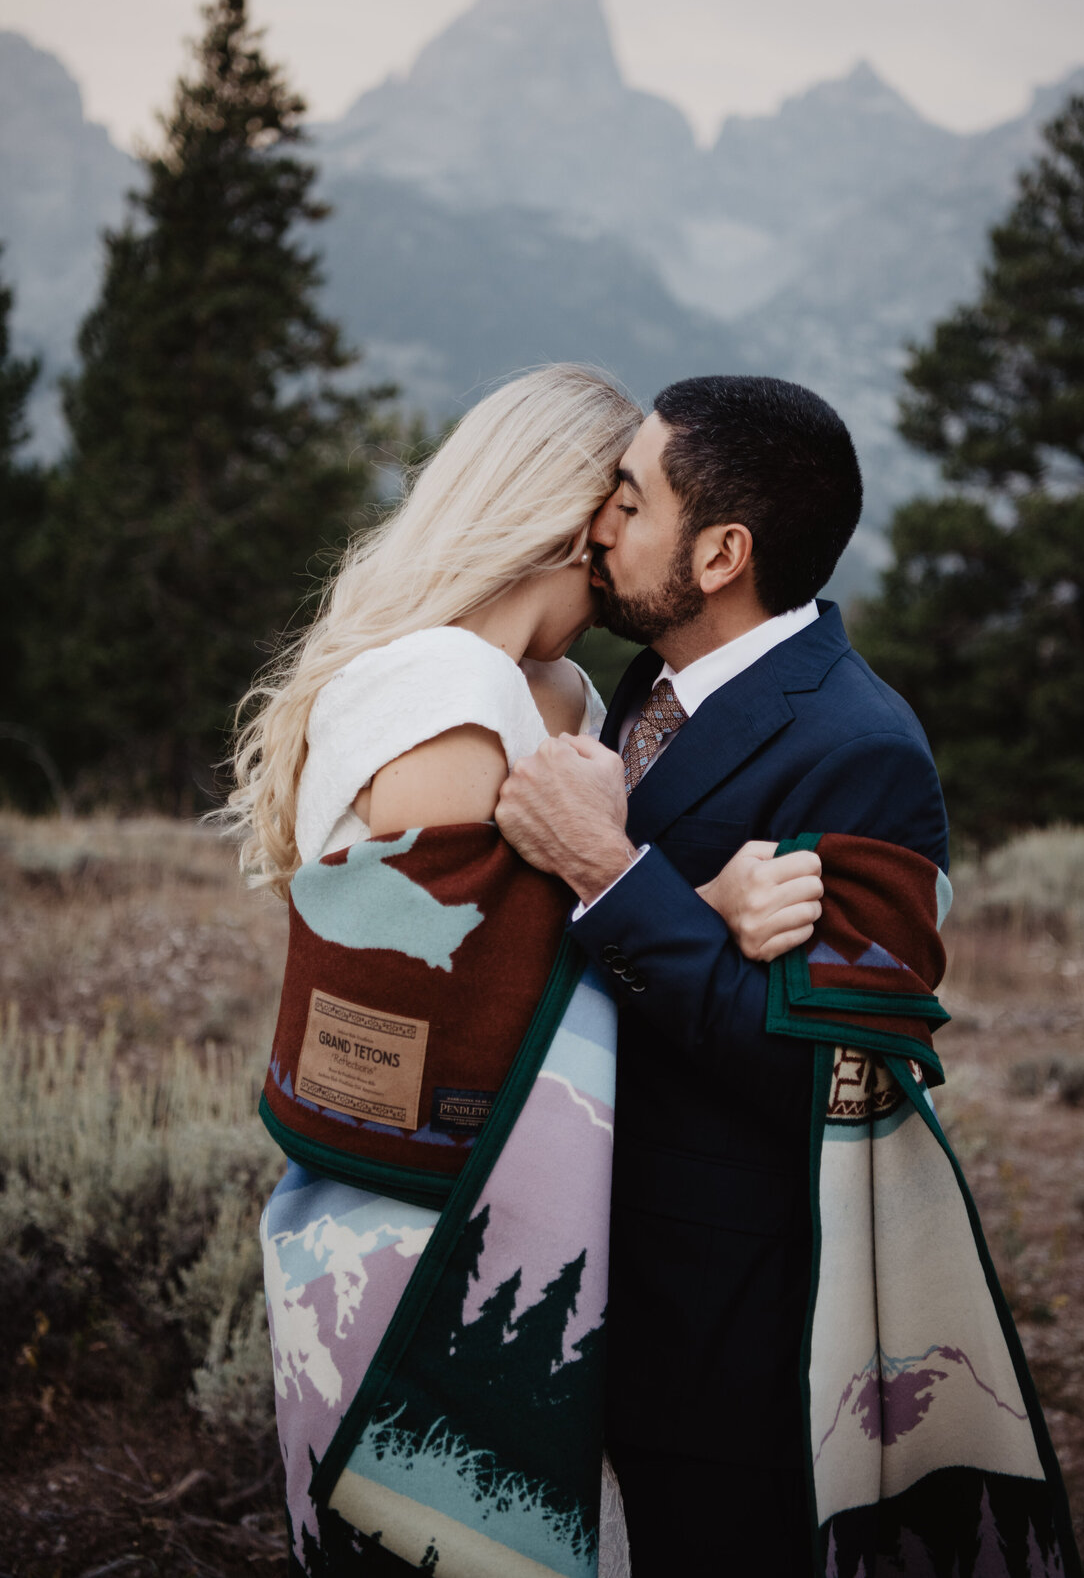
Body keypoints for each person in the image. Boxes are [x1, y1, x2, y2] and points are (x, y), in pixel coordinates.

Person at [224, 365, 821, 1576]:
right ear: (560, 512)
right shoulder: (442, 693)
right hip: (417, 1205)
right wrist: (703, 900)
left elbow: (565, 898)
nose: (619, 547)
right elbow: (474, 976)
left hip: (512, 1201)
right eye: (615, 507)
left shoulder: (558, 693)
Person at [495, 374, 952, 1576]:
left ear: (719, 554)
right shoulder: (645, 685)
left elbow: (833, 1083)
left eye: (629, 503)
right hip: (577, 1270)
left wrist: (611, 867)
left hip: (723, 1326)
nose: (597, 525)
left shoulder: (864, 751)